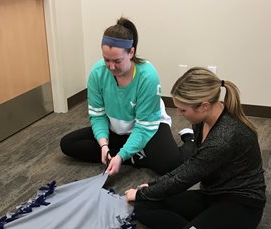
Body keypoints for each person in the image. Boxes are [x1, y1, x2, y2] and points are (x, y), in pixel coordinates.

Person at [67, 67, 266, 229]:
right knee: (146, 207)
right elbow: (187, 168)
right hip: (214, 196)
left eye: (183, 109)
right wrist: (148, 191)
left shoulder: (225, 136)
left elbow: (184, 178)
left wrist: (141, 193)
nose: (178, 114)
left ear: (204, 105)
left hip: (241, 207)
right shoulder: (204, 120)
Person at [60, 17, 194, 176]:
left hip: (150, 127)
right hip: (117, 131)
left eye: (117, 61)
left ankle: (190, 139)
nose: (110, 66)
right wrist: (103, 145)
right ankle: (137, 155)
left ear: (131, 52)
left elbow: (145, 127)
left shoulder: (148, 76)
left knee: (171, 165)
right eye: (106, 59)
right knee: (68, 144)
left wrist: (121, 155)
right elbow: (97, 115)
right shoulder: (97, 73)